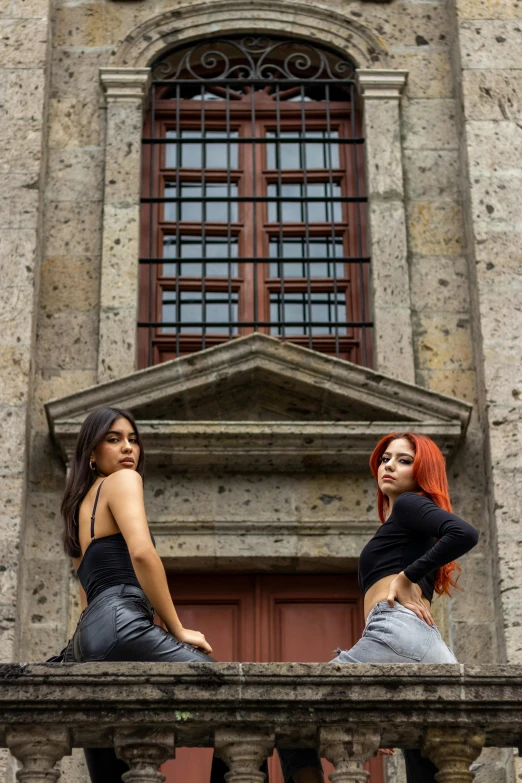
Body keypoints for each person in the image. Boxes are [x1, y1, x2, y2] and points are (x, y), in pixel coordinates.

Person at [61, 406, 323, 783]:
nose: (127, 449)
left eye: (133, 440)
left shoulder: (76, 509)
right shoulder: (123, 481)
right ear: (90, 452)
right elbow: (141, 553)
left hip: (88, 641)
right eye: (114, 439)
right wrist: (176, 627)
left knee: (107, 735)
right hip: (121, 622)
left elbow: (86, 598)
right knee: (242, 699)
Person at [330, 432, 479, 782]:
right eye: (385, 459)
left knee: (296, 710)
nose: (390, 465)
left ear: (422, 471)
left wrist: (405, 576)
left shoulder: (412, 504)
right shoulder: (407, 520)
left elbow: (465, 534)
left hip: (398, 633)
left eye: (404, 460)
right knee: (424, 765)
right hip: (424, 646)